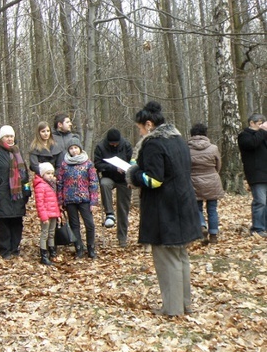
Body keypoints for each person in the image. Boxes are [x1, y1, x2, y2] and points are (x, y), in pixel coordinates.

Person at [126, 101, 203, 317]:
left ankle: (172, 308)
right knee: (180, 257)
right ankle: (184, 305)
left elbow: (154, 180)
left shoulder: (153, 144)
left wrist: (133, 174)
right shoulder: (177, 139)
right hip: (183, 202)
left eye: (140, 128)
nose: (139, 132)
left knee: (167, 259)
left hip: (164, 208)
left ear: (149, 124)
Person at [0, 125, 31, 260]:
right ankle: (5, 250)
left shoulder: (17, 152)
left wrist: (26, 190)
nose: (9, 139)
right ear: (1, 138)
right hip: (1, 193)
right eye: (7, 136)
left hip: (18, 194)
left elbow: (24, 173)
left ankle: (15, 248)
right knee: (4, 222)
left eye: (11, 136)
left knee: (17, 221)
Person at [57, 137, 100, 259]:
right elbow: (59, 183)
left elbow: (93, 182)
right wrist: (60, 201)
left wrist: (93, 201)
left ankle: (91, 248)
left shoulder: (88, 163)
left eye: (76, 148)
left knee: (89, 224)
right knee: (74, 225)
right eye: (71, 148)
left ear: (80, 149)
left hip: (85, 199)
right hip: (69, 199)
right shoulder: (64, 164)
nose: (74, 150)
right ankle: (79, 248)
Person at [93, 128, 133, 247]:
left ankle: (122, 237)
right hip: (109, 176)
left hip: (124, 179)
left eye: (116, 143)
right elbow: (98, 164)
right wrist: (114, 168)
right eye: (112, 143)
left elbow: (132, 160)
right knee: (104, 184)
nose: (114, 145)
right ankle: (109, 213)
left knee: (123, 208)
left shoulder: (126, 145)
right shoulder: (100, 147)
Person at [188, 123, 224, 244]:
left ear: (192, 134)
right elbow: (218, 164)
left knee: (197, 208)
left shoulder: (186, 149)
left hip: (193, 181)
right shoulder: (213, 148)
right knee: (212, 209)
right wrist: (213, 173)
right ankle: (213, 235)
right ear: (205, 134)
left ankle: (202, 226)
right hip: (212, 179)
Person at [237, 113, 267, 238]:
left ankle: (264, 227)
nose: (262, 127)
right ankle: (257, 228)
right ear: (252, 123)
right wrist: (263, 130)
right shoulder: (244, 135)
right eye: (259, 124)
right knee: (260, 202)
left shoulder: (263, 135)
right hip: (256, 174)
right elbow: (252, 143)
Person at [33, 162, 61, 265]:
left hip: (53, 213)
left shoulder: (52, 185)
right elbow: (39, 203)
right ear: (42, 174)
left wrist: (58, 215)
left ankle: (52, 252)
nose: (50, 176)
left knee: (51, 233)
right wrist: (43, 216)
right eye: (48, 173)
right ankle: (43, 254)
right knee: (45, 233)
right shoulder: (40, 186)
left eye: (52, 173)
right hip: (46, 214)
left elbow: (55, 202)